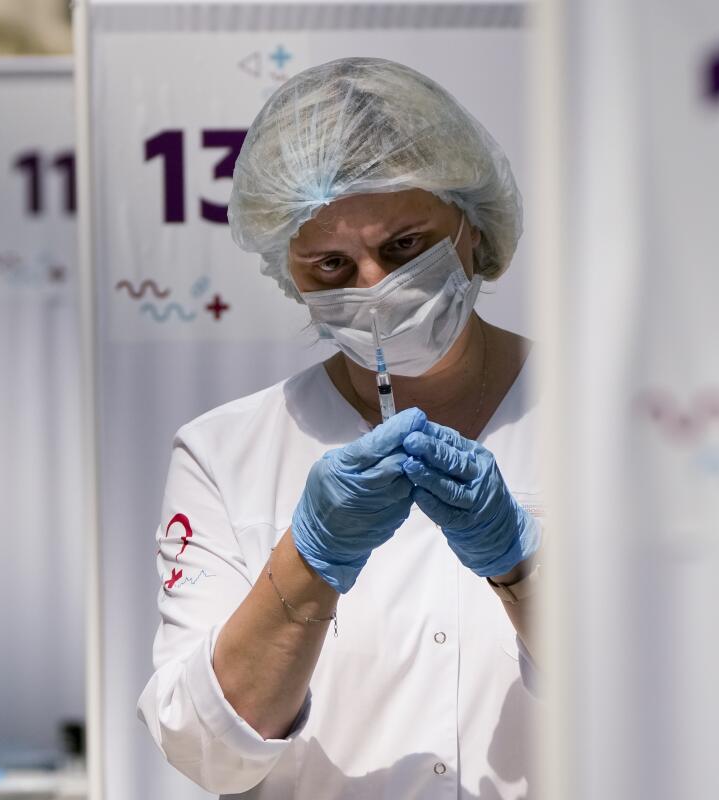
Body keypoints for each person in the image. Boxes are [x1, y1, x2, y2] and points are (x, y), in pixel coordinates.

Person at [137, 57, 543, 798]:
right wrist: (309, 561)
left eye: (404, 247)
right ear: (288, 274)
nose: (374, 288)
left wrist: (522, 568)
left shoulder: (598, 420)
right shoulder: (226, 455)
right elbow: (207, 751)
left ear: (474, 229)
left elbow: (668, 686)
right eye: (329, 264)